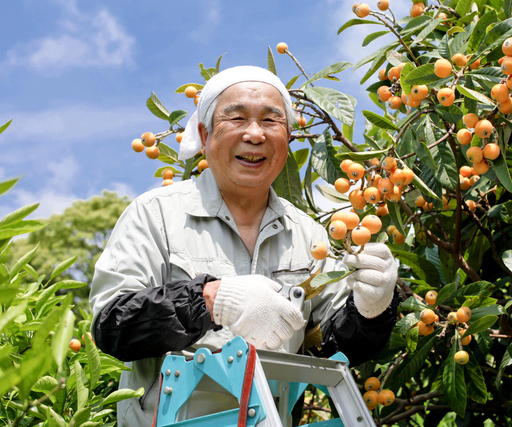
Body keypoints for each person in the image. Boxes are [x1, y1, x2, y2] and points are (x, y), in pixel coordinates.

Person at [89, 65, 399, 426]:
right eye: (236, 118)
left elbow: (331, 346)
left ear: (289, 135)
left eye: (271, 121)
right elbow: (112, 325)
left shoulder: (309, 234)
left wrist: (372, 309)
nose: (254, 134)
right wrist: (212, 299)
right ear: (205, 134)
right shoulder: (155, 214)